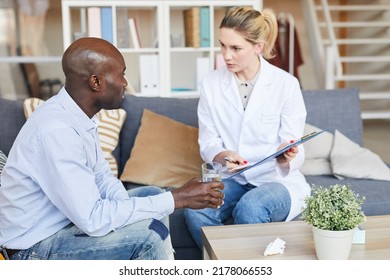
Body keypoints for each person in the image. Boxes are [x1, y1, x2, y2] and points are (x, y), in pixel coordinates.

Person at [0, 37, 224, 260]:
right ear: (96, 82)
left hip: (62, 226)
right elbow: (93, 219)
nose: (125, 83)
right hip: (32, 249)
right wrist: (177, 198)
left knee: (153, 195)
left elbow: (103, 179)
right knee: (149, 237)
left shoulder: (78, 117)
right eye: (122, 75)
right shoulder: (57, 131)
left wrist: (160, 203)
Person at [184, 6, 310, 249]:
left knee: (251, 206)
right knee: (196, 207)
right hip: (233, 176)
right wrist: (222, 155)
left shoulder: (286, 84)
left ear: (258, 47)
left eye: (236, 48)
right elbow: (209, 142)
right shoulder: (210, 84)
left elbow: (293, 144)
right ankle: (225, 265)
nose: (226, 55)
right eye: (223, 45)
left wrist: (286, 155)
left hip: (275, 181)